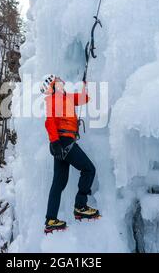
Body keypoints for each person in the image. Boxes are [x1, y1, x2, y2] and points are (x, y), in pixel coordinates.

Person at [40, 74, 100, 234]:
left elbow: (84, 98)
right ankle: (80, 206)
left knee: (59, 183)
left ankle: (51, 219)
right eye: (57, 80)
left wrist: (85, 84)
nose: (61, 81)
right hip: (64, 142)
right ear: (52, 85)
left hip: (61, 144)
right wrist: (55, 142)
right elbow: (50, 121)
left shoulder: (66, 97)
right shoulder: (53, 98)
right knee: (89, 169)